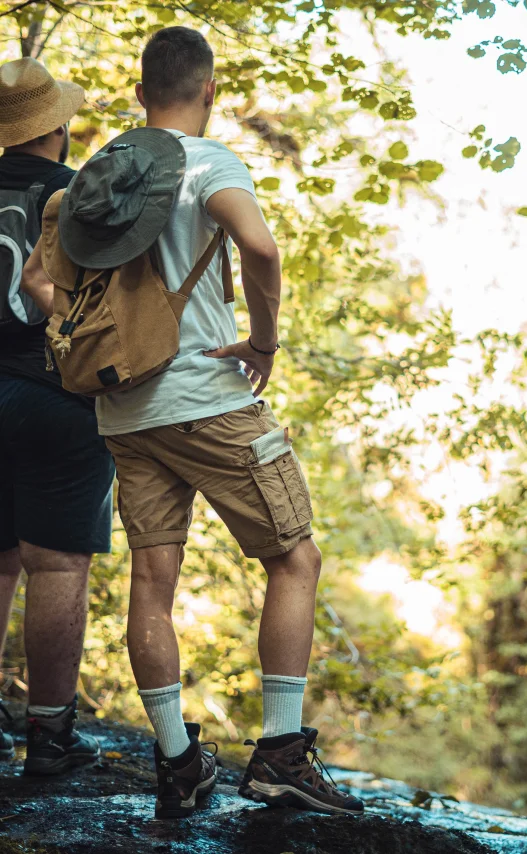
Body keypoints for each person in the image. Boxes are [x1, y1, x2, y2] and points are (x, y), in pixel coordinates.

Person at [40, 26, 364, 818]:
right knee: (294, 558)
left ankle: (179, 767)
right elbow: (259, 245)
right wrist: (263, 339)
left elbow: (40, 279)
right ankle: (282, 755)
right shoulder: (209, 164)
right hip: (209, 403)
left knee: (153, 581)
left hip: (124, 411)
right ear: (210, 91)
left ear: (141, 92)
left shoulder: (98, 174)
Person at [0, 58, 115, 774]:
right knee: (57, 562)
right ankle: (49, 738)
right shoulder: (79, 196)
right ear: (60, 127)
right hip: (53, 396)